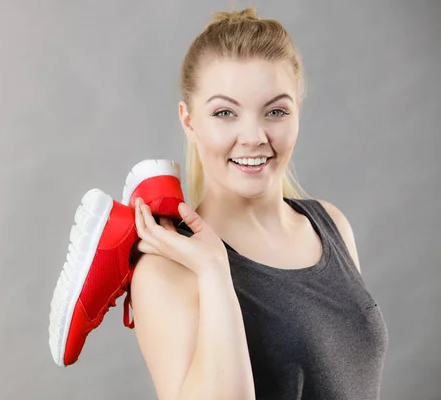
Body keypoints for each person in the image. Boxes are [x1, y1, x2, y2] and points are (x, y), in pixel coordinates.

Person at [129, 7, 388, 400]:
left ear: (297, 113)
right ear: (189, 121)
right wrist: (215, 271)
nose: (253, 136)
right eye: (225, 113)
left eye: (276, 111)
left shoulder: (332, 225)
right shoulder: (167, 269)